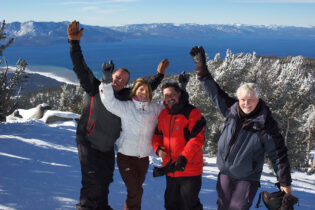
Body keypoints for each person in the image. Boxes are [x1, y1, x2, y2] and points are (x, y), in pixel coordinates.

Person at [67, 20, 168, 210]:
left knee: (105, 179)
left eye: (123, 80)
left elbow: (143, 91)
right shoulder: (94, 87)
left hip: (107, 148)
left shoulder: (124, 97)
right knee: (92, 180)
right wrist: (74, 43)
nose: (119, 80)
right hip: (88, 142)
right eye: (117, 76)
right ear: (111, 75)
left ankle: (101, 206)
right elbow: (80, 67)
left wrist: (159, 76)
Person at [189, 46, 293, 210]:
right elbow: (215, 93)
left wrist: (284, 181)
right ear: (238, 99)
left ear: (258, 99)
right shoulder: (232, 111)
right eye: (243, 99)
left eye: (251, 99)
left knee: (237, 207)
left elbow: (278, 154)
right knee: (222, 206)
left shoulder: (265, 123)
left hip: (247, 177)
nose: (246, 103)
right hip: (225, 173)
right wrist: (202, 71)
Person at [99, 77, 165, 210]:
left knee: (134, 192)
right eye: (141, 89)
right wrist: (106, 83)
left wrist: (182, 88)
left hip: (143, 159)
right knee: (136, 190)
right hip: (126, 158)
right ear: (135, 91)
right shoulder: (127, 107)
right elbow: (110, 103)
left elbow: (171, 109)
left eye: (147, 91)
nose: (144, 93)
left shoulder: (154, 109)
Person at [152, 82, 206, 210]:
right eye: (166, 95)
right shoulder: (164, 114)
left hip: (189, 169)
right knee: (171, 204)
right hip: (170, 169)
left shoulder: (192, 112)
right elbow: (157, 135)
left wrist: (183, 157)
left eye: (173, 94)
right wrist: (158, 148)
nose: (170, 97)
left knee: (189, 205)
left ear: (179, 94)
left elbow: (197, 138)